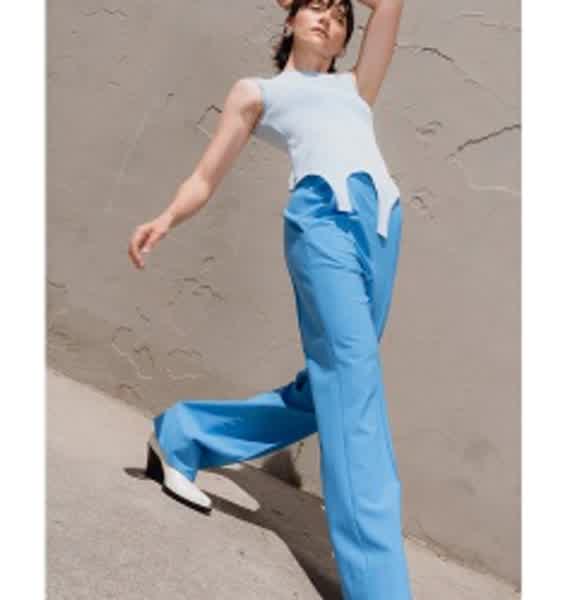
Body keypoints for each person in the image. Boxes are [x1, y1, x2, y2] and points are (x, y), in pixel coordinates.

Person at [127, 1, 412, 598]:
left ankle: (183, 433)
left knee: (329, 390)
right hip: (322, 225)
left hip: (382, 228)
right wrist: (167, 217)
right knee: (355, 391)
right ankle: (380, 587)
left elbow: (391, 4)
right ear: (288, 22)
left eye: (340, 15)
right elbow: (205, 176)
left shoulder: (356, 88)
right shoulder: (257, 92)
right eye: (316, 7)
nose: (328, 19)